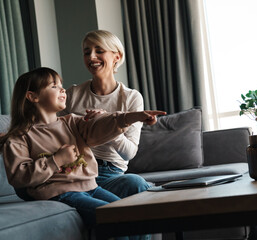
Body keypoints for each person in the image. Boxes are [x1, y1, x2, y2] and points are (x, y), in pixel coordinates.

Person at [0, 67, 165, 229]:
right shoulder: (19, 137)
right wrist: (56, 160)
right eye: (54, 86)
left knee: (138, 216)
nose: (62, 89)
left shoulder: (72, 122)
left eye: (61, 84)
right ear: (32, 96)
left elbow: (101, 127)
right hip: (59, 193)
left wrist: (134, 116)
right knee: (118, 217)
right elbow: (19, 176)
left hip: (92, 187)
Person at [60, 30, 152, 200]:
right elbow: (55, 133)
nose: (91, 57)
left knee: (135, 183)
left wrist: (109, 125)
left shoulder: (131, 97)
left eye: (99, 51)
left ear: (116, 57)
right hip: (77, 170)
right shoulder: (72, 94)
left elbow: (129, 153)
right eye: (87, 52)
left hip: (110, 173)